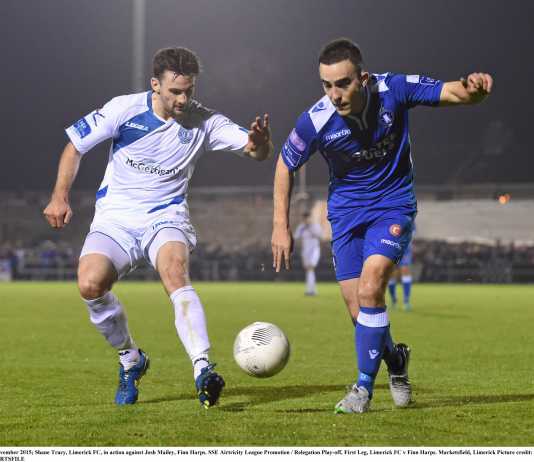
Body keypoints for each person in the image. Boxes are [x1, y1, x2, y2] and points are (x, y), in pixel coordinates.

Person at [271, 38, 492, 413]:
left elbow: (454, 93)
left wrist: (476, 92)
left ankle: (361, 390)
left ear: (364, 78)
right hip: (345, 216)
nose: (335, 94)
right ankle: (396, 360)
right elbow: (284, 164)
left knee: (372, 288)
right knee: (360, 313)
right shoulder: (315, 120)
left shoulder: (394, 90)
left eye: (343, 83)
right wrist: (280, 225)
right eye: (326, 85)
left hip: (393, 206)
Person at [43, 47, 273, 408]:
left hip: (165, 216)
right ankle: (130, 358)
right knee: (90, 283)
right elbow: (75, 147)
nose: (183, 99)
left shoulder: (205, 122)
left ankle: (203, 369)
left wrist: (261, 144)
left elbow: (255, 150)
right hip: (115, 218)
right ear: (156, 85)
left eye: (189, 91)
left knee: (174, 271)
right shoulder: (124, 109)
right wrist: (60, 196)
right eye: (175, 92)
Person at [294, 211, 323, 295]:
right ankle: (311, 290)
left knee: (310, 268)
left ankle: (311, 290)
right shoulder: (301, 227)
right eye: (304, 218)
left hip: (314, 250)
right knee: (309, 270)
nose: (306, 220)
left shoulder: (315, 226)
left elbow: (321, 236)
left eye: (307, 218)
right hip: (305, 251)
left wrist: (310, 229)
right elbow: (296, 236)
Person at [388, 225, 415, 311]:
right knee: (391, 274)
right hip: (391, 247)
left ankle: (406, 301)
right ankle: (393, 299)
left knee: (405, 270)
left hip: (405, 248)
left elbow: (413, 230)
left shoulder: (408, 215)